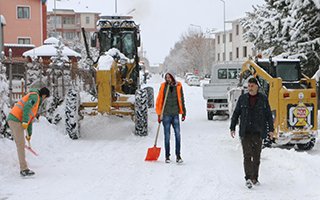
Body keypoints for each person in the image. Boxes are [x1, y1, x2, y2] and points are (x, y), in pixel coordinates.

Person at [229, 78, 274, 188]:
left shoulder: (263, 99)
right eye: (249, 86)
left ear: (257, 87)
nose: (250, 88)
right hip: (246, 132)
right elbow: (236, 113)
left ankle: (255, 178)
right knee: (247, 155)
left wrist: (271, 130)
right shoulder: (242, 99)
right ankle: (248, 178)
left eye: (252, 86)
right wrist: (232, 127)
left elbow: (268, 115)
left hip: (258, 132)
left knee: (257, 157)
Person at [7, 87, 50, 177]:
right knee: (21, 145)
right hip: (16, 119)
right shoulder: (35, 97)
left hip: (15, 119)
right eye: (45, 98)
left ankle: (23, 167)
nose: (44, 100)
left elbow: (30, 119)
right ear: (44, 95)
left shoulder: (36, 100)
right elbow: (26, 108)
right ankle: (24, 169)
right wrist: (25, 121)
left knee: (20, 144)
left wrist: (29, 134)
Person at [156, 72, 186, 163]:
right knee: (167, 136)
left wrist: (184, 112)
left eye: (169, 77)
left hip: (175, 114)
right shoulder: (163, 87)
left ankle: (178, 156)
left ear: (173, 78)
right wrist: (159, 114)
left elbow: (181, 99)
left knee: (177, 135)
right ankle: (167, 156)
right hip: (166, 115)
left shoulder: (178, 86)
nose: (168, 79)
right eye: (166, 77)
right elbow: (159, 100)